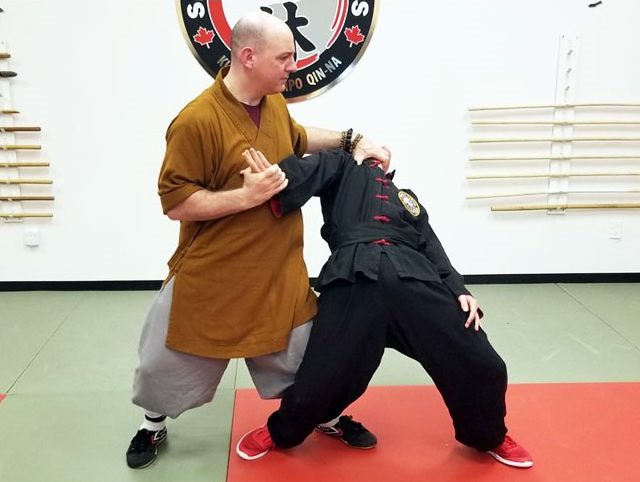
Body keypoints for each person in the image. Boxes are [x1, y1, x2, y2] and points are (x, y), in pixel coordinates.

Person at [125, 11, 390, 469]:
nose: (294, 65)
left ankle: (321, 414)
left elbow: (300, 139)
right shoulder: (195, 122)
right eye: (284, 57)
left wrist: (351, 140)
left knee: (311, 359)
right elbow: (176, 202)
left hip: (279, 266)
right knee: (163, 362)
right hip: (216, 269)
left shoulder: (274, 104)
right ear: (248, 57)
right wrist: (244, 196)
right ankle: (153, 424)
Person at [235, 147, 534, 469]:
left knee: (482, 362)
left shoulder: (407, 198)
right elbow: (305, 174)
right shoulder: (342, 167)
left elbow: (432, 247)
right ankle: (281, 431)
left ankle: (489, 436)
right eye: (375, 152)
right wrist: (273, 178)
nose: (380, 157)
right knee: (320, 378)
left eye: (385, 155)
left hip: (416, 279)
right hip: (354, 275)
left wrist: (459, 289)